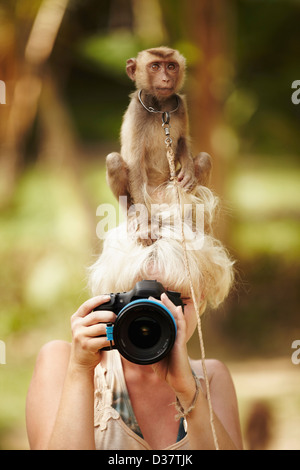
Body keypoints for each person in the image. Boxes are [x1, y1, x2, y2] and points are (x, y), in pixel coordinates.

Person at [26, 205, 243, 450]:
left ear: (201, 300)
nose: (158, 315)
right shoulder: (63, 363)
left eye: (177, 301)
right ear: (110, 298)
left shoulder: (211, 378)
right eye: (139, 303)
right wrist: (80, 371)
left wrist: (188, 390)